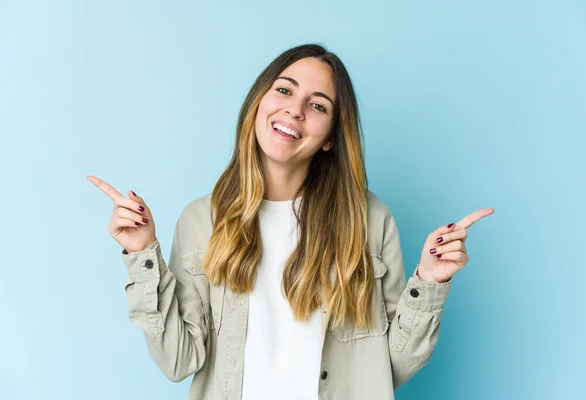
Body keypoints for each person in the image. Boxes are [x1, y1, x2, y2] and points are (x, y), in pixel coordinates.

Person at [88, 43, 494, 400]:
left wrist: (430, 280)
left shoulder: (369, 220)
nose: (294, 110)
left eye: (318, 105)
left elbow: (388, 370)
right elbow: (178, 361)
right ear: (258, 103)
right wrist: (141, 254)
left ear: (331, 136)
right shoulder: (201, 220)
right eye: (284, 90)